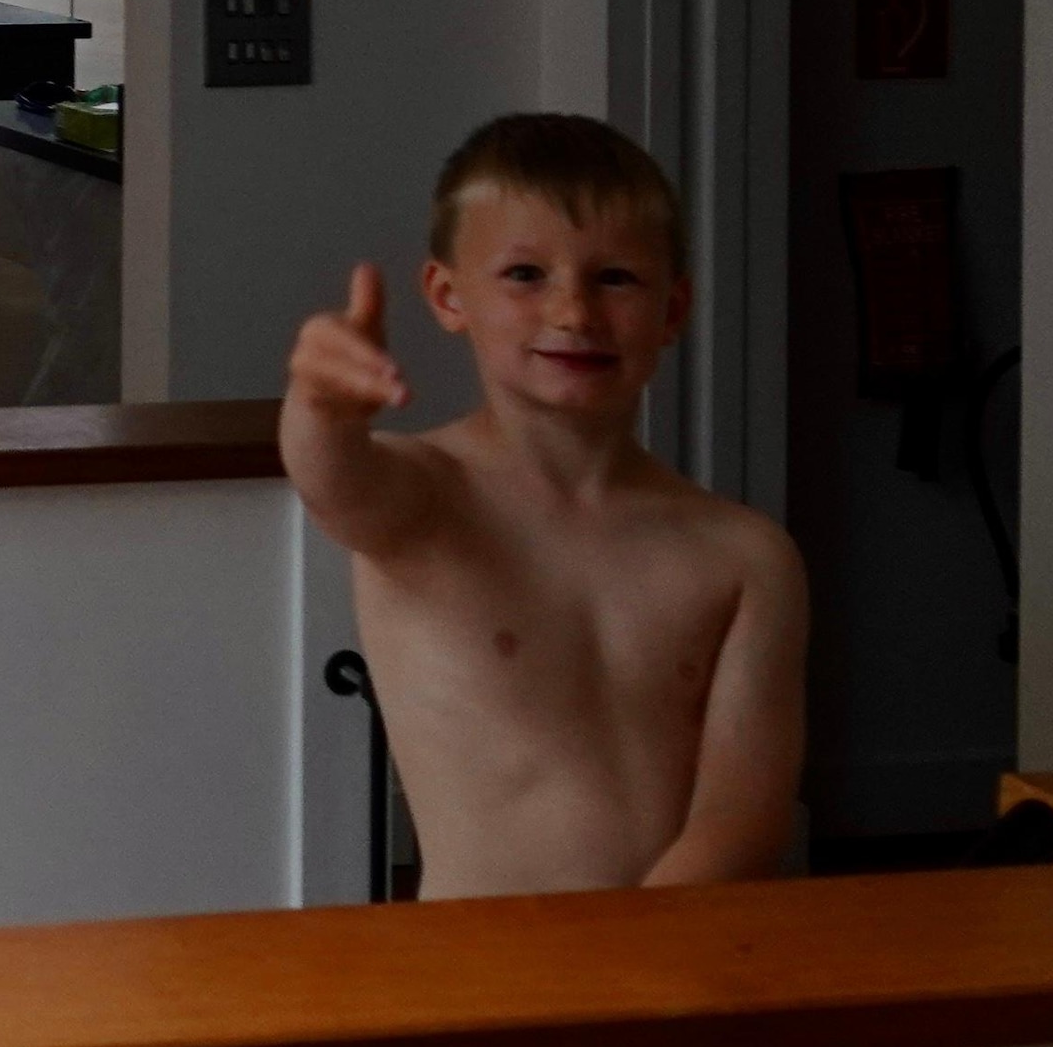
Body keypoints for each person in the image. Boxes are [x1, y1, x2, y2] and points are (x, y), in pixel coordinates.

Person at [283, 113, 808, 899]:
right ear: (448, 295)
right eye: (526, 274)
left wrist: (628, 961)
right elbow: (330, 476)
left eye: (616, 277)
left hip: (673, 958)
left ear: (672, 310)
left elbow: (743, 818)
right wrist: (316, 403)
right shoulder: (423, 501)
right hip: (477, 963)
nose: (574, 312)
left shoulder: (746, 557)